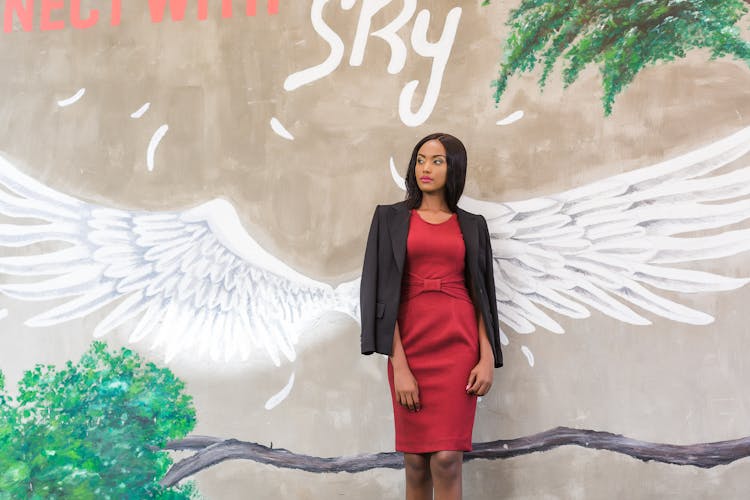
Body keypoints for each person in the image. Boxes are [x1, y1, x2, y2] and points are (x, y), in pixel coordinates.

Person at [360, 133, 503, 499]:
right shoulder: (389, 219)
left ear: (453, 168)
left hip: (459, 348)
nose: (426, 167)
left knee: (446, 460)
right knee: (415, 464)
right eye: (421, 159)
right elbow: (378, 293)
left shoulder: (473, 225)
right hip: (409, 346)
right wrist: (400, 366)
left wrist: (486, 357)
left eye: (437, 161)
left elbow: (482, 295)